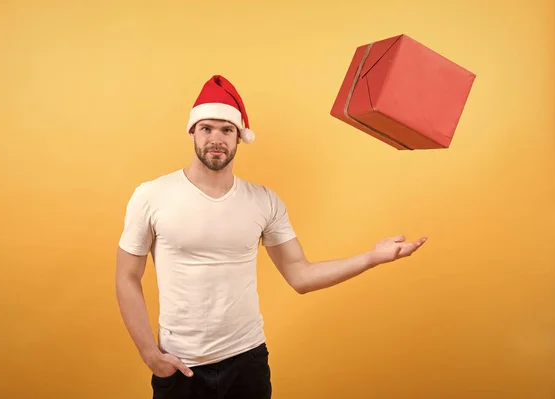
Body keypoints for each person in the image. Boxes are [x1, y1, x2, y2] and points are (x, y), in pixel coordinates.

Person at [115, 75, 428, 399]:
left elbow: (300, 275)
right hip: (180, 367)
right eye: (207, 128)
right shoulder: (151, 196)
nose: (216, 138)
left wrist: (371, 258)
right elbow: (127, 277)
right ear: (192, 131)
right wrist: (150, 353)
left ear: (239, 137)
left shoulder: (264, 201)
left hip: (247, 362)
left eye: (227, 129)